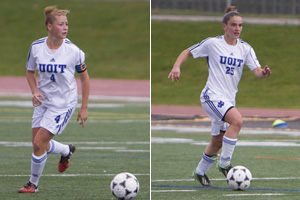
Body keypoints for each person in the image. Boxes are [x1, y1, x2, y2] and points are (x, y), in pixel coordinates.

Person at [168, 6, 271, 187]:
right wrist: (177, 66)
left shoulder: (245, 49)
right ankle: (224, 164)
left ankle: (199, 172)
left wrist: (263, 73)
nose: (237, 29)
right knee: (237, 121)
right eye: (233, 25)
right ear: (225, 26)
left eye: (240, 25)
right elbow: (188, 51)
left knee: (217, 142)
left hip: (228, 99)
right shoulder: (213, 43)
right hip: (211, 96)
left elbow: (256, 70)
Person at [18, 5, 90, 193]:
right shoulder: (36, 47)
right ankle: (66, 150)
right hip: (43, 102)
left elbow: (84, 78)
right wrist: (34, 91)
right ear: (49, 26)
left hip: (63, 104)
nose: (65, 28)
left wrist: (84, 108)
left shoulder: (74, 51)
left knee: (39, 144)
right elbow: (30, 71)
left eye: (66, 24)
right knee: (38, 145)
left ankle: (32, 184)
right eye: (60, 24)